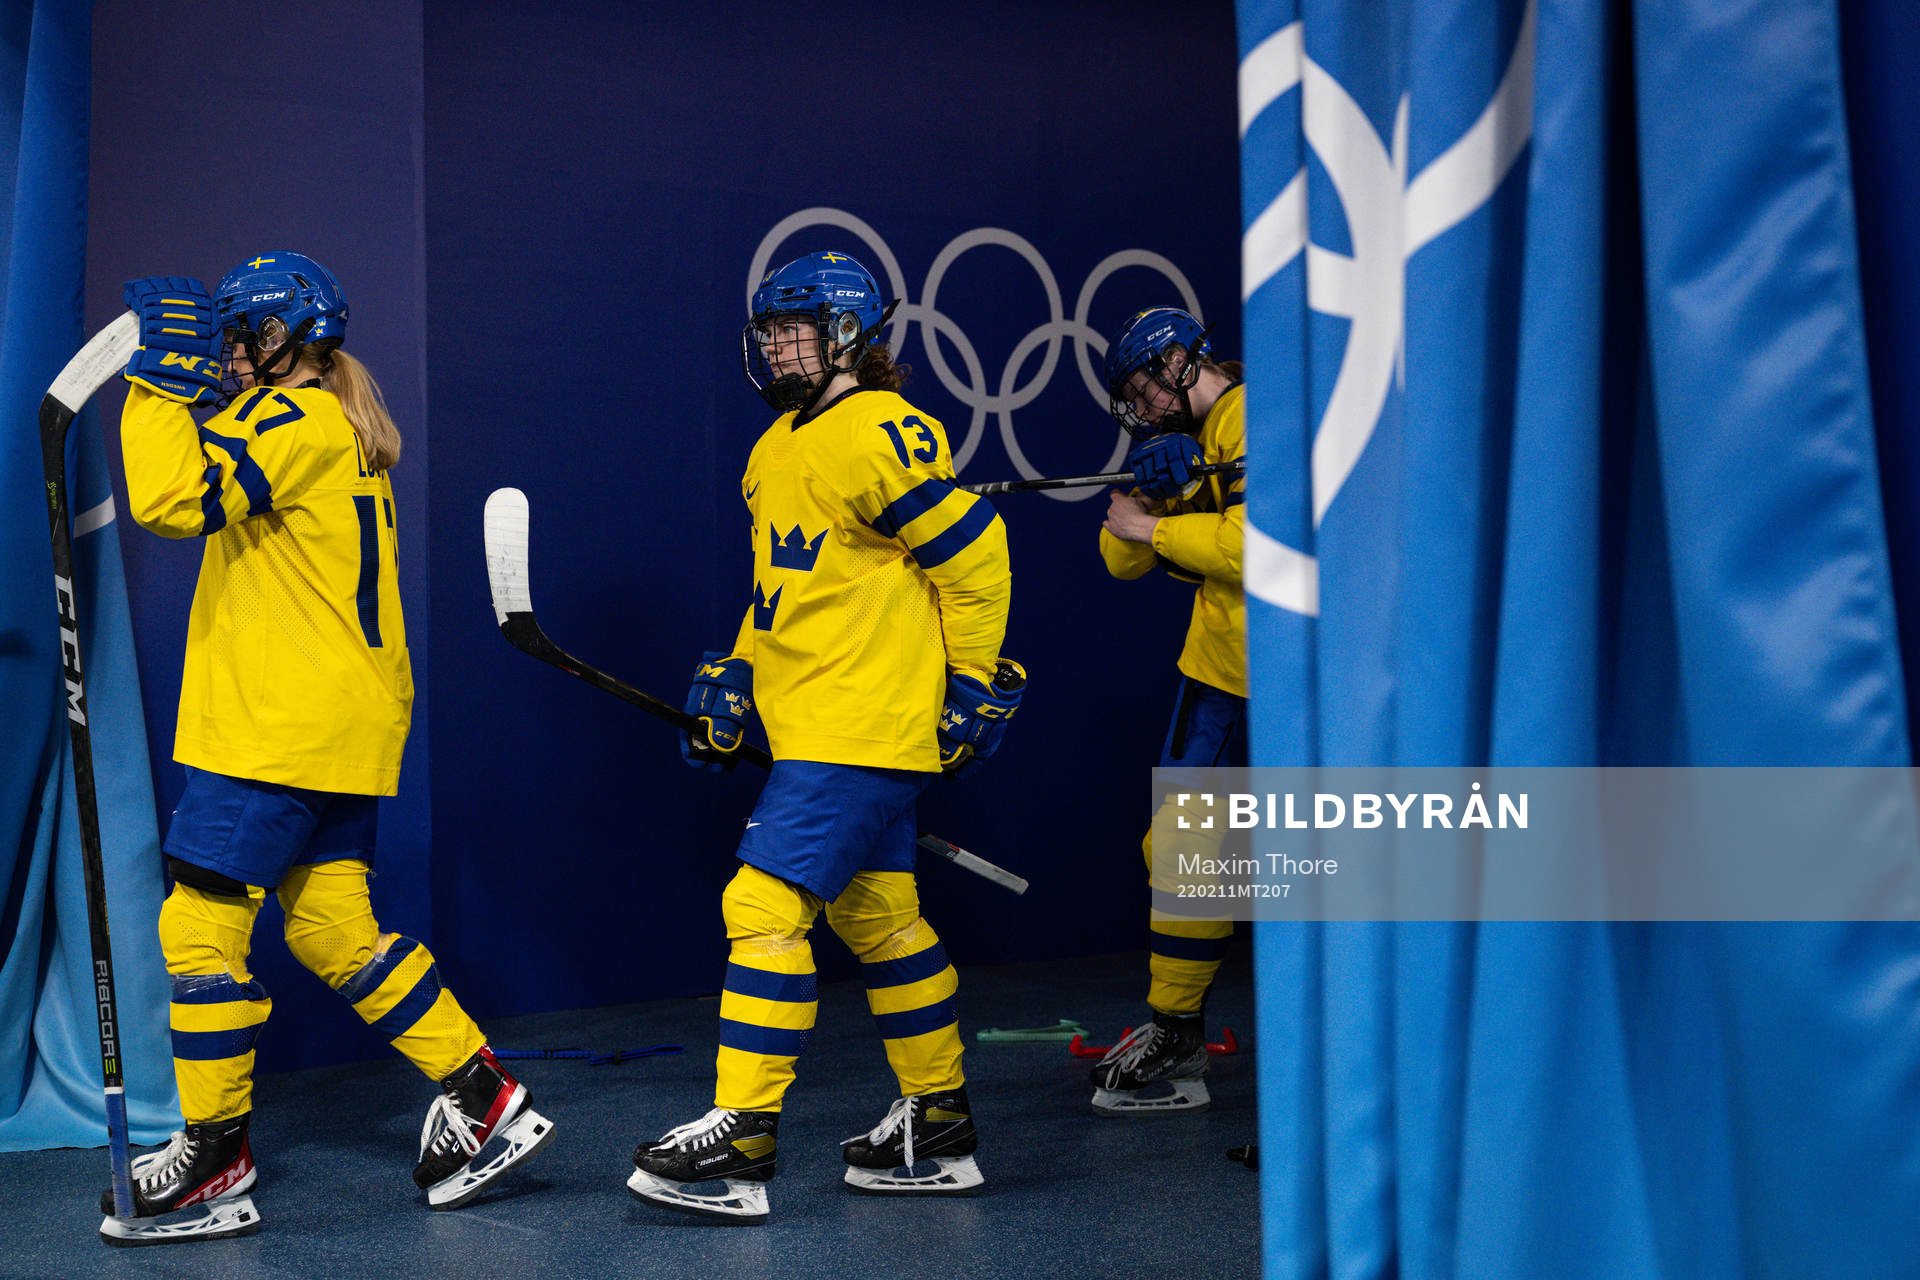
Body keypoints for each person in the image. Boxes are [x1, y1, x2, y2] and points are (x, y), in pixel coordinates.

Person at [100, 255, 552, 1245]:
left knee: (200, 931)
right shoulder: (339, 426)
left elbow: (172, 501)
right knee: (332, 928)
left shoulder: (287, 418)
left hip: (275, 728)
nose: (224, 355)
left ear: (275, 341)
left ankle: (216, 1157)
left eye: (236, 337)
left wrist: (154, 381)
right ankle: (483, 1091)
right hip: (343, 723)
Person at [626, 250, 1023, 1224]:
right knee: (881, 919)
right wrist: (735, 678)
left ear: (848, 334)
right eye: (765, 330)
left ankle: (744, 1132)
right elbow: (783, 595)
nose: (772, 345)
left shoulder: (884, 428)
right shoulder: (773, 450)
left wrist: (971, 685)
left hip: (864, 724)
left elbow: (977, 560)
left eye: (792, 326)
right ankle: (938, 1121)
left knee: (760, 903)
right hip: (820, 724)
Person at [1088, 306, 1246, 1116]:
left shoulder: (1257, 417)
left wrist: (1161, 520)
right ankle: (1176, 1028)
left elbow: (1263, 545)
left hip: (1292, 682)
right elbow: (1121, 555)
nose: (1143, 405)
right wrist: (1158, 488)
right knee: (1183, 850)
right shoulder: (1183, 439)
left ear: (1182, 361)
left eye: (1146, 385)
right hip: (1216, 678)